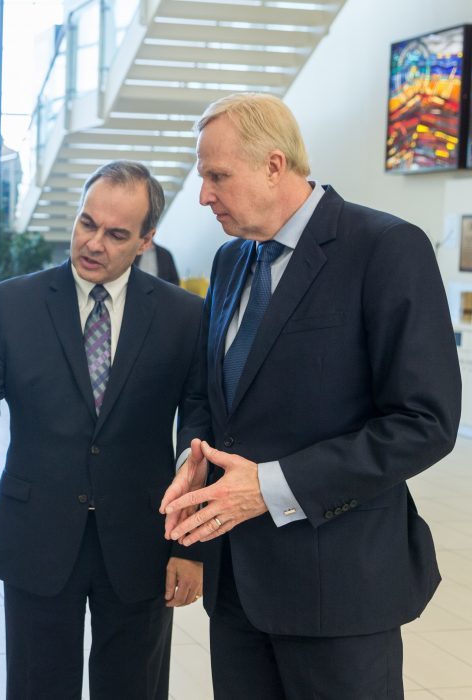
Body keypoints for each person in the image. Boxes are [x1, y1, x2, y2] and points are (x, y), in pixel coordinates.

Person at [160, 93, 461, 699]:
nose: (203, 196)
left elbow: (425, 421)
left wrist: (270, 487)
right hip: (239, 584)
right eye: (201, 177)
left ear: (275, 165)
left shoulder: (385, 249)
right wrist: (193, 462)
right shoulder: (229, 261)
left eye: (217, 176)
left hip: (340, 588)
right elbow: (209, 391)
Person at [0, 160, 209, 699]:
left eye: (115, 235)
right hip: (38, 534)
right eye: (86, 223)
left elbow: (200, 430)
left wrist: (194, 545)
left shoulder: (183, 317)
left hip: (140, 541)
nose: (94, 243)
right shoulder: (16, 303)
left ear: (145, 240)